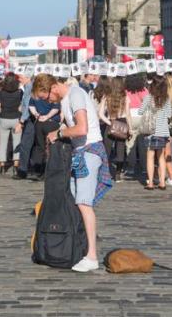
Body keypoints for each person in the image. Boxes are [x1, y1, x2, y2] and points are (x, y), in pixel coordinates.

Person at [41, 74, 112, 273]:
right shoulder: (67, 99)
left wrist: (60, 133)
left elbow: (82, 128)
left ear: (53, 87)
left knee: (83, 203)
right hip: (80, 152)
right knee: (75, 200)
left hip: (90, 151)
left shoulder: (76, 95)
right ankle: (81, 247)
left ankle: (91, 256)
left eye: (46, 97)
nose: (48, 101)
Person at [142, 76, 172, 190]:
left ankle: (150, 183)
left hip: (151, 130)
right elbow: (169, 115)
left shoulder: (148, 97)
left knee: (150, 156)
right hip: (163, 130)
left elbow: (141, 111)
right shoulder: (167, 98)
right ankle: (162, 182)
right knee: (161, 157)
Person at [97, 77, 129, 182]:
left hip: (111, 123)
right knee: (120, 151)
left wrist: (110, 122)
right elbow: (128, 114)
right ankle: (118, 174)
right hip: (122, 123)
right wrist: (130, 128)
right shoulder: (125, 97)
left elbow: (101, 114)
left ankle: (105, 173)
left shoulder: (107, 96)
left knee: (107, 150)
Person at [0, 73, 24, 175]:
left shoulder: (0, 92)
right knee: (17, 143)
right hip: (16, 118)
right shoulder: (19, 92)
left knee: (3, 143)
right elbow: (21, 106)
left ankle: (2, 165)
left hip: (3, 118)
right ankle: (16, 165)